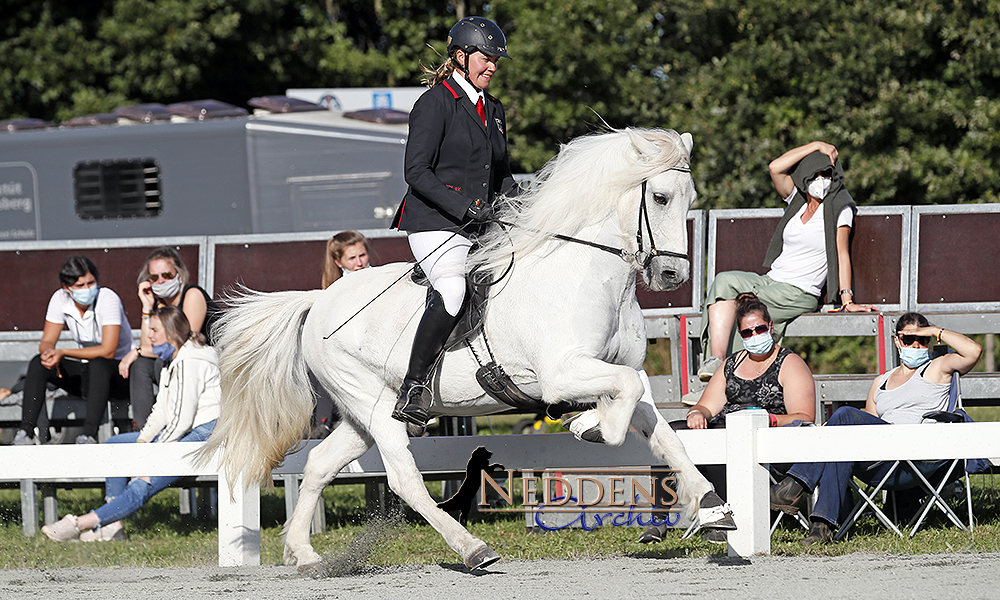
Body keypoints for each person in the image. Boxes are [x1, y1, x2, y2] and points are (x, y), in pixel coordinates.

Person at [388, 16, 516, 428]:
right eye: (486, 57)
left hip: (479, 223)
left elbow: (502, 175)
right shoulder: (434, 103)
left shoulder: (492, 109)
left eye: (496, 60)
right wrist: (464, 208)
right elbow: (416, 172)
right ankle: (414, 386)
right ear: (460, 57)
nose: (492, 66)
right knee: (452, 286)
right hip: (434, 223)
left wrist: (521, 206)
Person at [770, 312, 982, 545]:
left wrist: (934, 331)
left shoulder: (937, 368)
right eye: (908, 339)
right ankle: (822, 528)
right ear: (896, 340)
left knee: (844, 415)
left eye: (922, 340)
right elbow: (865, 429)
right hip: (882, 458)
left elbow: (973, 351)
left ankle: (794, 486)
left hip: (917, 456)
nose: (916, 345)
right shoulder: (881, 380)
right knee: (839, 443)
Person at [639, 293, 816, 544]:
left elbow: (805, 416)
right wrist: (697, 414)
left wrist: (771, 420)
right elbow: (705, 406)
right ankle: (658, 519)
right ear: (740, 335)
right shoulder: (732, 364)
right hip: (724, 427)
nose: (754, 336)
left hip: (766, 437)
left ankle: (724, 516)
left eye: (760, 329)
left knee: (724, 439)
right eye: (747, 333)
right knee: (667, 434)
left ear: (771, 327)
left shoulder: (789, 363)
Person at [697, 141, 876, 383]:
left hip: (799, 291)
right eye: (816, 174)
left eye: (827, 174)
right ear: (805, 176)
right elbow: (775, 167)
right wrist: (817, 145)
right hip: (772, 281)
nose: (821, 179)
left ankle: (726, 380)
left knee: (747, 306)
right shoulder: (796, 200)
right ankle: (716, 363)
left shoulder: (838, 208)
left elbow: (842, 253)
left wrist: (847, 299)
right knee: (723, 282)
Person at [40, 305, 221, 542]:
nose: (150, 336)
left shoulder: (190, 361)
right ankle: (112, 525)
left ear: (173, 333)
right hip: (186, 430)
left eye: (155, 330)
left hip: (205, 433)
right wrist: (143, 442)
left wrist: (150, 457)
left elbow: (182, 419)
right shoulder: (173, 358)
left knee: (144, 481)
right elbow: (161, 412)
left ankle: (78, 524)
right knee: (116, 445)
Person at [13, 256, 133, 445]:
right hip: (89, 377)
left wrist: (63, 352)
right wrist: (49, 353)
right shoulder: (59, 298)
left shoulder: (108, 298)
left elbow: (108, 351)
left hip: (120, 375)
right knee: (38, 362)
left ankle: (88, 435)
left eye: (91, 283)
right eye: (80, 285)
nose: (87, 289)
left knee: (99, 364)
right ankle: (25, 432)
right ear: (66, 288)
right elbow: (47, 341)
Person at [117, 247, 219, 428]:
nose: (161, 281)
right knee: (141, 364)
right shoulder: (158, 305)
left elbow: (184, 346)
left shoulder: (192, 294)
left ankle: (174, 425)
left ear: (179, 275)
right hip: (179, 366)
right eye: (154, 277)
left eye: (166, 275)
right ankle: (145, 430)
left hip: (209, 365)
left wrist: (137, 350)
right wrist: (146, 307)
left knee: (157, 361)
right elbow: (149, 345)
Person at [310, 230, 372, 438]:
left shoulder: (378, 278)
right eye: (352, 258)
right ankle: (323, 423)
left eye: (362, 255)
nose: (359, 263)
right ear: (338, 262)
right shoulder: (334, 289)